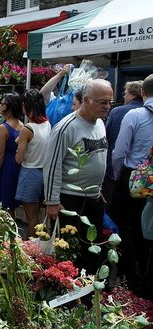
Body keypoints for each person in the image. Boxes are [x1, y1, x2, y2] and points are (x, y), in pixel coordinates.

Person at [44, 79, 113, 274]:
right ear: (85, 100)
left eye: (110, 102)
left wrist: (97, 190)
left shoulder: (100, 123)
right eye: (102, 102)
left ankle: (91, 294)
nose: (107, 107)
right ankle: (68, 297)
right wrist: (51, 201)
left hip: (93, 198)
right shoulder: (66, 127)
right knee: (70, 253)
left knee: (93, 247)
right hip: (69, 201)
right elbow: (52, 166)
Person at [111, 75, 153, 297]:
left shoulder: (134, 115)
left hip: (134, 178)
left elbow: (119, 153)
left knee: (124, 228)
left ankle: (131, 280)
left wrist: (120, 176)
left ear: (143, 92)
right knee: (147, 231)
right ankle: (146, 281)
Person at [15, 89, 51, 237]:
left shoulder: (27, 129)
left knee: (32, 218)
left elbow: (18, 158)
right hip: (44, 171)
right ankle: (39, 248)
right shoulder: (47, 123)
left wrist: (18, 144)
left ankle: (30, 250)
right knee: (40, 217)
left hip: (30, 172)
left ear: (26, 106)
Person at [105, 80, 143, 203]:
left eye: (125, 93)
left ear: (131, 94)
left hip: (116, 170)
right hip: (144, 176)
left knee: (112, 208)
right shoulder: (148, 112)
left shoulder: (117, 111)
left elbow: (106, 138)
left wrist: (116, 172)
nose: (124, 96)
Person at [0, 93, 23, 218]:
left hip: (6, 167)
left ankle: (8, 235)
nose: (0, 106)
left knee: (5, 206)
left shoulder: (3, 127)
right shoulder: (22, 126)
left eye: (3, 104)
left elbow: (0, 154)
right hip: (18, 165)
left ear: (10, 107)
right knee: (12, 204)